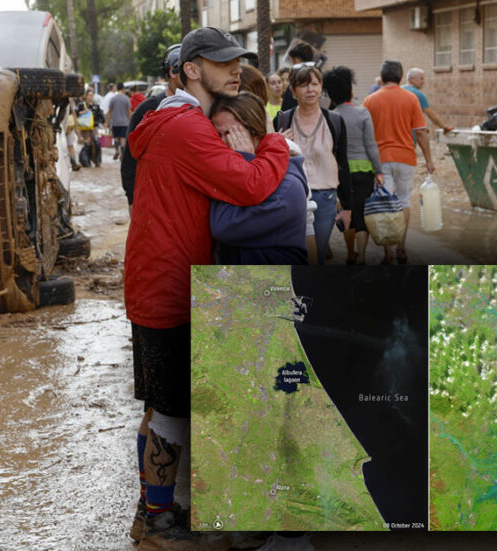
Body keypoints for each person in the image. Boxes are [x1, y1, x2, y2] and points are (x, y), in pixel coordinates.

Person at [125, 26, 289, 548]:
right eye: (222, 62)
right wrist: (276, 145)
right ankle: (158, 523)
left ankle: (152, 507)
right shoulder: (187, 128)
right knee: (171, 412)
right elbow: (250, 184)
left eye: (236, 60)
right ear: (192, 69)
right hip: (170, 285)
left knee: (162, 406)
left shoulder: (169, 117)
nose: (234, 69)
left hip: (158, 278)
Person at [210, 92, 309, 264]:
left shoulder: (288, 187)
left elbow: (223, 226)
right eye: (217, 134)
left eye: (231, 134)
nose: (221, 142)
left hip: (269, 284)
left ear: (256, 134)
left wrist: (241, 162)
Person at [274, 65, 350, 266]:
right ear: (293, 91)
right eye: (304, 85)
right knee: (297, 253)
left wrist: (347, 207)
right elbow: (271, 161)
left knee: (318, 255)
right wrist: (277, 143)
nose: (311, 90)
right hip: (293, 198)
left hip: (325, 199)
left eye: (315, 84)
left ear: (321, 87)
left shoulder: (334, 121)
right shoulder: (282, 120)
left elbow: (343, 164)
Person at [363, 60, 435, 264]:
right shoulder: (411, 98)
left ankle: (388, 252)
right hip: (406, 158)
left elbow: (365, 134)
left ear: (382, 76)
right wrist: (429, 160)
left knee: (385, 202)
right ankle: (402, 247)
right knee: (403, 201)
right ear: (401, 77)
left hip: (380, 160)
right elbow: (421, 133)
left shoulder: (370, 100)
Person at [324, 66, 384, 264]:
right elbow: (371, 145)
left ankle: (350, 253)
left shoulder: (329, 117)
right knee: (361, 214)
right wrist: (379, 171)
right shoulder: (362, 113)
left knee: (346, 211)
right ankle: (362, 257)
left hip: (339, 173)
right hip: (363, 172)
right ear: (350, 91)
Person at [121, 43, 183, 213]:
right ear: (172, 72)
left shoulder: (202, 107)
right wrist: (132, 199)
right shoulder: (148, 109)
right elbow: (129, 158)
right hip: (153, 202)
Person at [404, 67, 454, 133]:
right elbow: (431, 115)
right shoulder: (418, 94)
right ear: (412, 79)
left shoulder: (400, 89)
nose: (423, 82)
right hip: (409, 135)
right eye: (421, 79)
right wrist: (444, 127)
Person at [280, 41, 316, 111]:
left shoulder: (294, 84)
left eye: (292, 61)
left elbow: (285, 112)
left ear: (296, 59)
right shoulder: (321, 78)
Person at [75, 88, 103, 167]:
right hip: (85, 127)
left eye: (92, 95)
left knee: (96, 142)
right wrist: (84, 112)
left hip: (94, 127)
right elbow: (76, 113)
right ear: (86, 96)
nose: (90, 97)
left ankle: (97, 160)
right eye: (89, 95)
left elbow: (100, 116)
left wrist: (103, 123)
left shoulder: (96, 106)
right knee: (87, 144)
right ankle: (85, 161)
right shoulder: (81, 105)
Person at [108, 82, 132, 160]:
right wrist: (131, 120)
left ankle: (116, 151)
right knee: (123, 140)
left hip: (115, 122)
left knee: (115, 138)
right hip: (124, 123)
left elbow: (109, 111)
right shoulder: (126, 99)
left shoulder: (113, 99)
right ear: (123, 89)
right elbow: (129, 111)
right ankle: (122, 155)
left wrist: (106, 121)